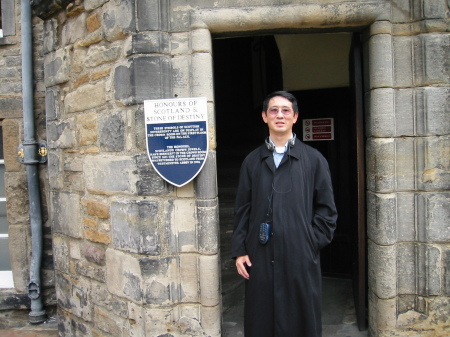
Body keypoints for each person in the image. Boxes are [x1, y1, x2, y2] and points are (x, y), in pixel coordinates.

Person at [231, 91, 338, 337]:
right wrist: (239, 250)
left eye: (286, 110)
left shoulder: (313, 160)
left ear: (295, 117)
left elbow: (327, 209)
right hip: (260, 254)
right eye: (273, 110)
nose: (280, 115)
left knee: (301, 318)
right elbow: (242, 208)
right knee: (262, 318)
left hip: (300, 254)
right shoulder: (252, 161)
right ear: (264, 117)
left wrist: (311, 242)